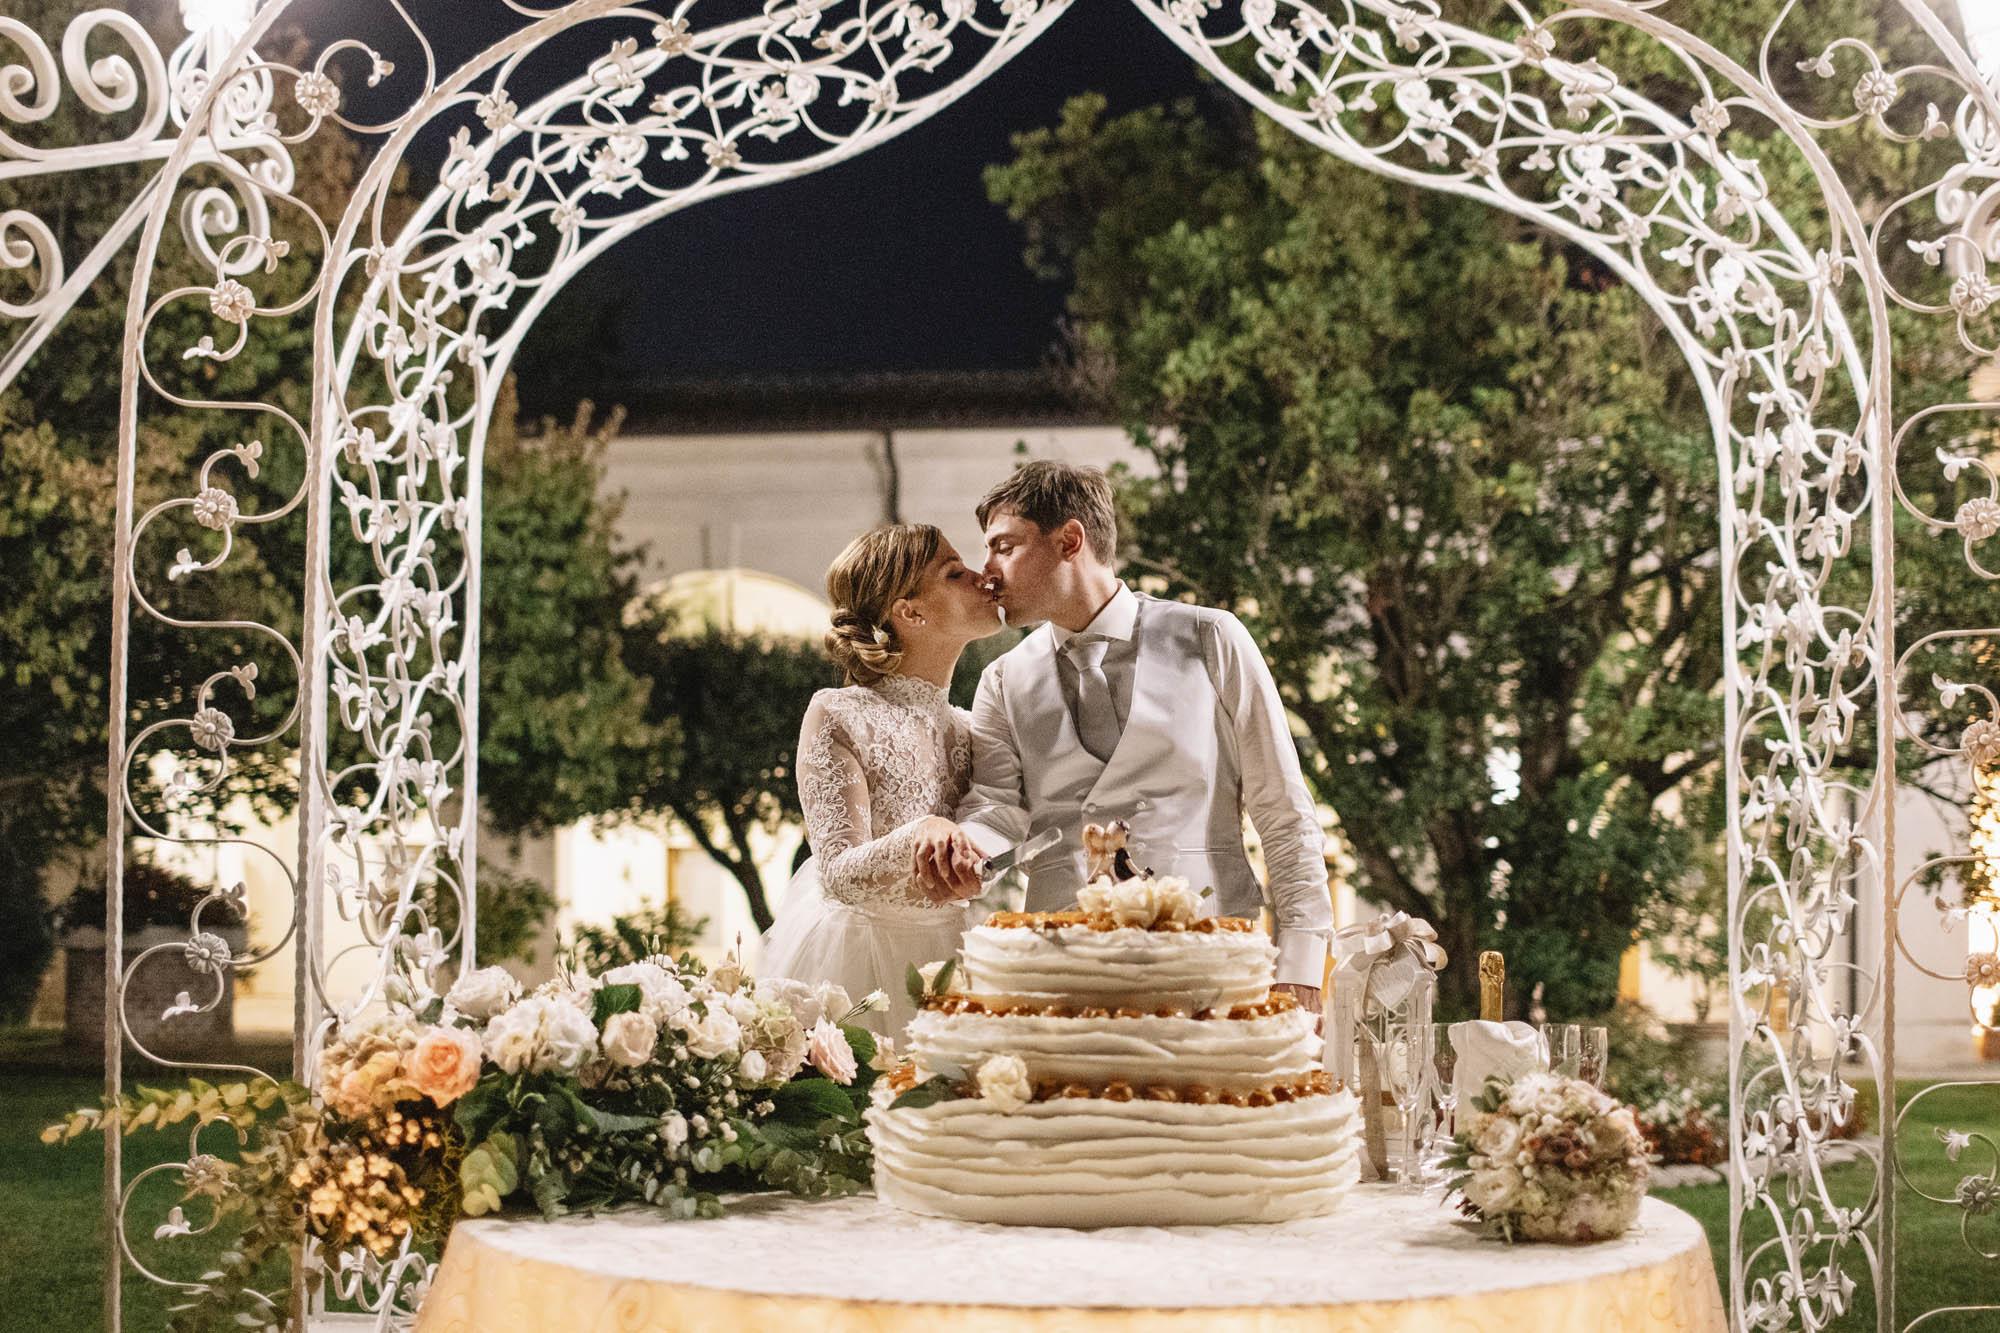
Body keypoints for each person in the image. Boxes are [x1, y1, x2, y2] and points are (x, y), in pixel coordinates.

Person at [917, 461, 1333, 1012]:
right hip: (1059, 964)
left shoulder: (1212, 639)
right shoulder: (1002, 679)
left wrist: (1302, 961)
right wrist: (963, 849)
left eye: (1004, 547)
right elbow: (996, 807)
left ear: (1069, 541)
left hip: (1211, 956)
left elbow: (1283, 810)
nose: (987, 572)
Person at [759, 523, 1000, 1037]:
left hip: (954, 960)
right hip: (857, 968)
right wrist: (922, 832)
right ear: (911, 612)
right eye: (955, 573)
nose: (982, 578)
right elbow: (840, 873)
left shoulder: (970, 727)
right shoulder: (838, 712)